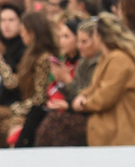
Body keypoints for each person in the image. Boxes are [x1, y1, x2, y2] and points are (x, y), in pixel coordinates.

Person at [0, 10, 56, 148]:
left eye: (24, 30)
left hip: (30, 112)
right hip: (23, 108)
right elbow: (13, 83)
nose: (21, 33)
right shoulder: (29, 55)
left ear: (32, 32)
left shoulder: (43, 58)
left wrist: (15, 109)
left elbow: (39, 98)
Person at [72, 13, 135, 146]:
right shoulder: (107, 58)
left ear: (100, 36)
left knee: (58, 126)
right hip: (110, 120)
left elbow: (105, 97)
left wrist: (83, 104)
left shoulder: (119, 59)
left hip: (123, 127)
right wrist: (82, 96)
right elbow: (94, 87)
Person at [35, 18, 101, 147]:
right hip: (77, 109)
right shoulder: (83, 63)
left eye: (84, 41)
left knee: (53, 121)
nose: (79, 45)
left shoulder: (98, 64)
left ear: (97, 40)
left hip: (93, 117)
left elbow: (90, 98)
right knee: (37, 112)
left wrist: (65, 80)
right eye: (60, 36)